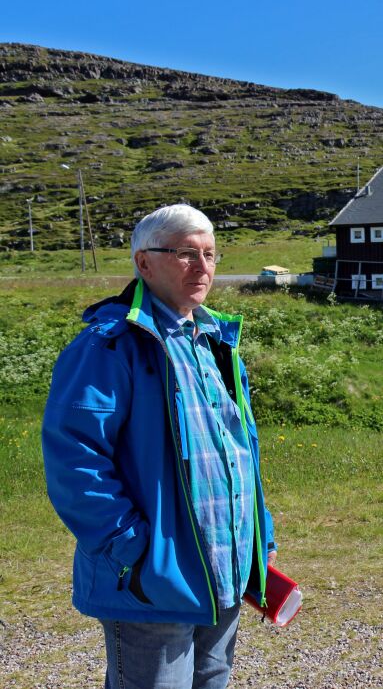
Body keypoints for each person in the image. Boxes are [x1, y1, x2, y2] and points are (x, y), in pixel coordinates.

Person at [42, 204, 277, 689]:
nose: (203, 267)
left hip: (224, 571)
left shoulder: (215, 341)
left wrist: (259, 539)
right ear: (144, 262)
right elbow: (75, 458)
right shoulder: (108, 345)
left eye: (210, 254)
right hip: (154, 579)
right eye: (186, 253)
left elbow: (240, 453)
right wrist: (131, 551)